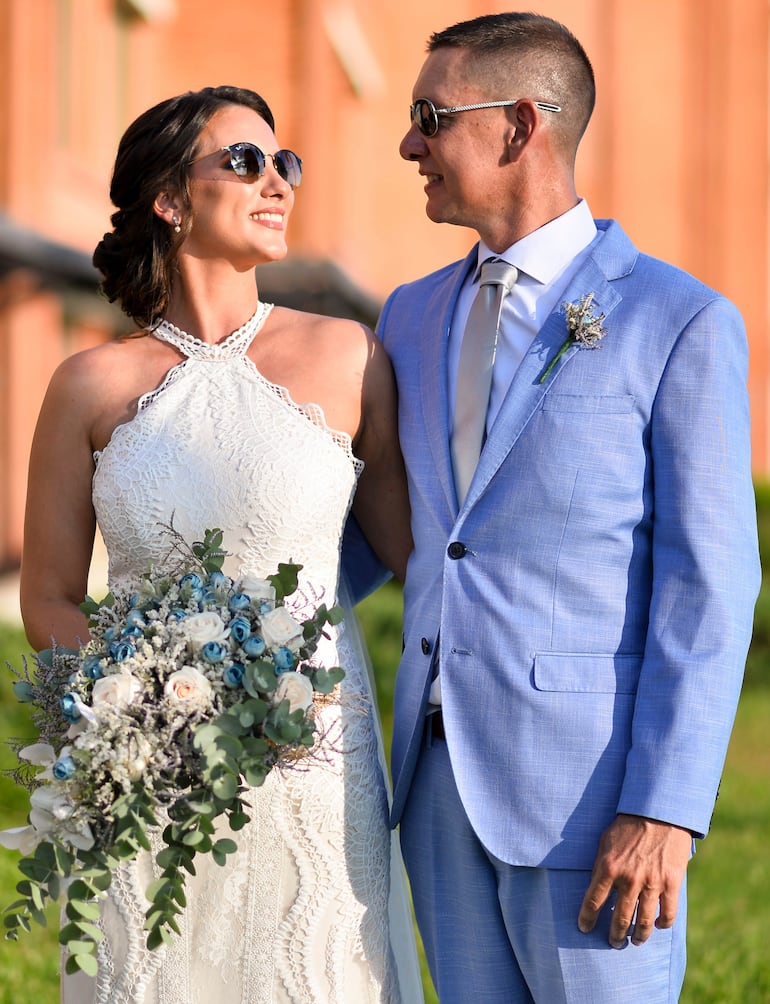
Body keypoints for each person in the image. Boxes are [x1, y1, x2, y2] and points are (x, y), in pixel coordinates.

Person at [356, 12, 759, 1003]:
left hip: (594, 802)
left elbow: (706, 582)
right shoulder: (407, 313)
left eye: (428, 115)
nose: (408, 143)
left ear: (518, 122)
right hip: (436, 793)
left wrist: (664, 807)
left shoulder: (679, 320)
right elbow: (393, 528)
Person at [19, 85, 423, 1003]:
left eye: (287, 162)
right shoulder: (86, 384)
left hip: (315, 769)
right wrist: (148, 704)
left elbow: (418, 557)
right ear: (169, 197)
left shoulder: (352, 354)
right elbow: (47, 597)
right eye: (245, 161)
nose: (277, 180)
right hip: (149, 772)